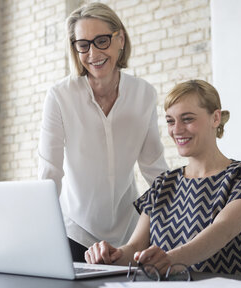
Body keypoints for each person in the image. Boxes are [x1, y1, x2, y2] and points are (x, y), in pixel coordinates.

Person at [85, 80, 241, 276]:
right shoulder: (163, 184)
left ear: (215, 118)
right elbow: (135, 247)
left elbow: (221, 231)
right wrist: (113, 256)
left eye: (187, 119)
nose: (176, 130)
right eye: (170, 121)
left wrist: (170, 260)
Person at [38, 3, 168, 262]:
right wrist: (42, 235)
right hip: (75, 232)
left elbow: (155, 170)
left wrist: (175, 222)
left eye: (101, 41)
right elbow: (50, 173)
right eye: (83, 44)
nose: (93, 53)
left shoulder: (144, 95)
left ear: (120, 39)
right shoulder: (60, 96)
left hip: (130, 233)